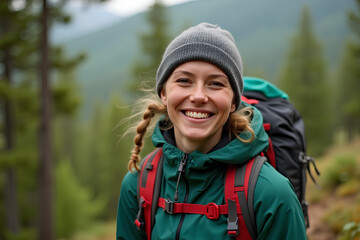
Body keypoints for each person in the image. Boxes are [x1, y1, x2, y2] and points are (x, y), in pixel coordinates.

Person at [116, 23, 307, 239]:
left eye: (215, 83)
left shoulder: (271, 194)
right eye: (184, 81)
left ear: (234, 101)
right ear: (164, 93)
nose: (198, 96)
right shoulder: (138, 187)